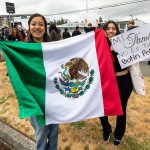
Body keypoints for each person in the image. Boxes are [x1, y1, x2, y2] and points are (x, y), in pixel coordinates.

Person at [27, 13, 59, 150]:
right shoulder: (23, 49)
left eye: (41, 24)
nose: (37, 27)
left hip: (54, 96)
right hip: (35, 99)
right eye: (34, 24)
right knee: (41, 133)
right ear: (29, 27)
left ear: (45, 27)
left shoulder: (54, 47)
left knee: (54, 131)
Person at [99, 20, 133, 146]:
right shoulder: (100, 44)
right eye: (108, 28)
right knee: (102, 108)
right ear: (105, 30)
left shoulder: (124, 43)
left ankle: (119, 134)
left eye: (113, 28)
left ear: (117, 30)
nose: (111, 30)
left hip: (123, 81)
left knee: (121, 109)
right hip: (106, 82)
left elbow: (130, 61)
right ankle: (106, 129)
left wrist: (117, 50)